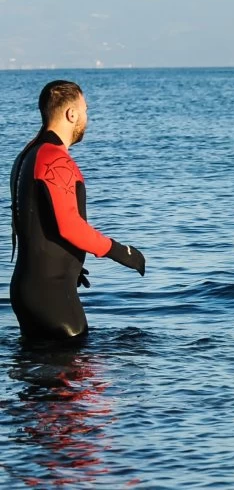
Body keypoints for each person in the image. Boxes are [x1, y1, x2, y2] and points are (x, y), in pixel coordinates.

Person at [9, 80, 146, 340]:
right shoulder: (55, 159)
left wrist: (70, 262)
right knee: (78, 365)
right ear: (71, 114)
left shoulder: (26, 155)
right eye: (85, 110)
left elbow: (31, 221)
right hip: (52, 294)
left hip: (28, 288)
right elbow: (69, 225)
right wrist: (123, 253)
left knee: (39, 364)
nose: (86, 117)